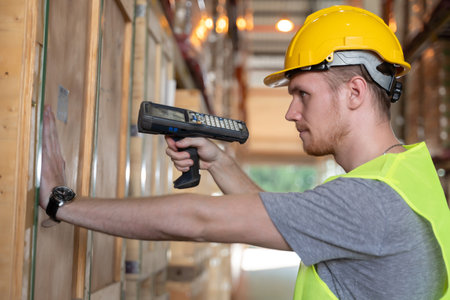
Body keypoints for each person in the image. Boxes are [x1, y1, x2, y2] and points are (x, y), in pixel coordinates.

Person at [40, 5, 449, 299]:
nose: (292, 113)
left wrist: (64, 203)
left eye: (303, 95)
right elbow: (282, 217)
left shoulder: (367, 202)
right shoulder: (408, 176)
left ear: (355, 92)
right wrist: (222, 163)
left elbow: (198, 219)